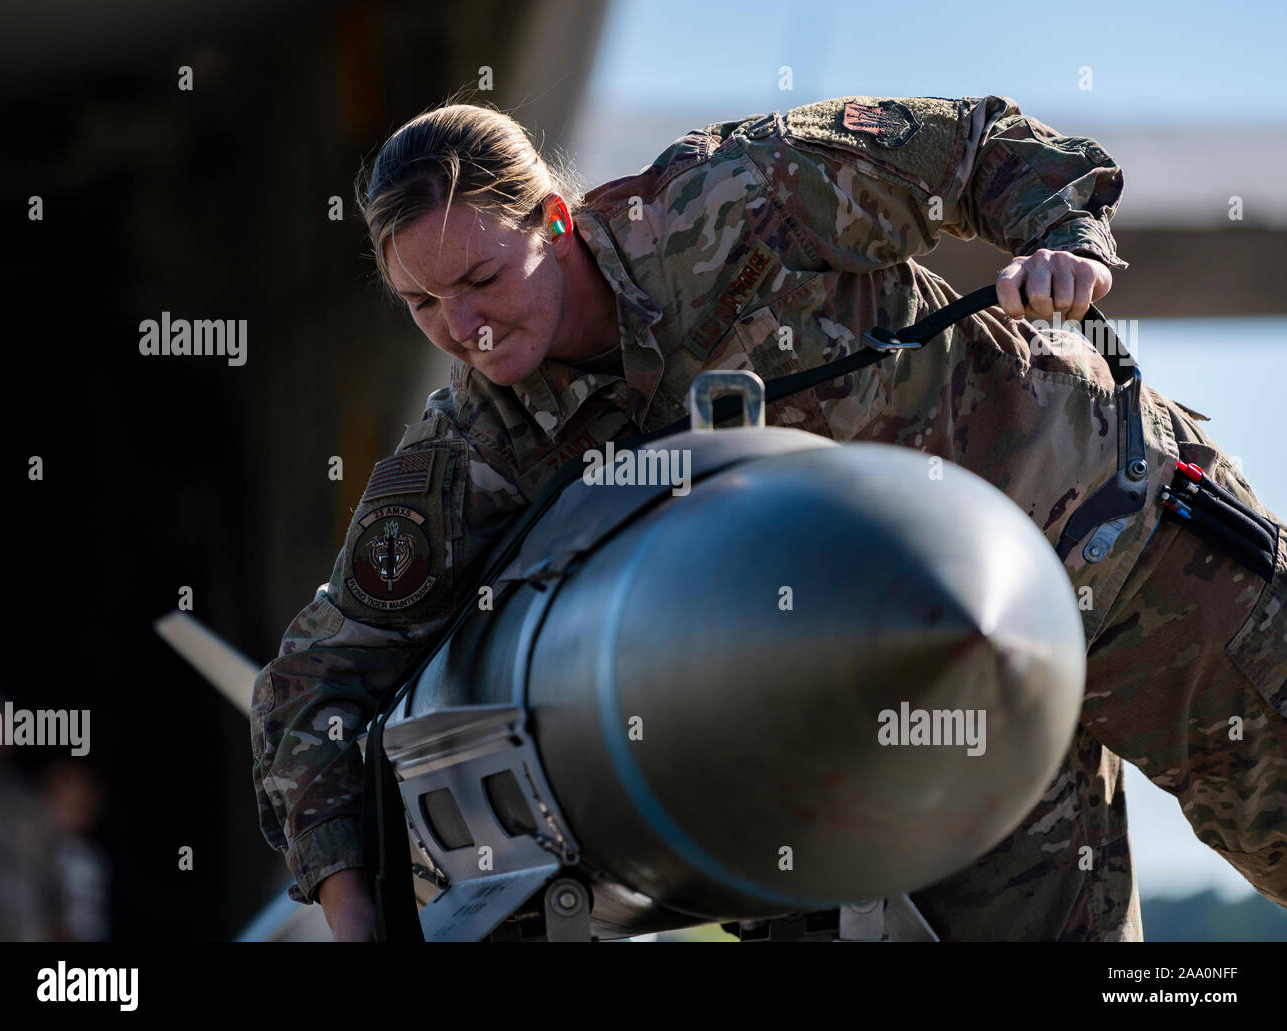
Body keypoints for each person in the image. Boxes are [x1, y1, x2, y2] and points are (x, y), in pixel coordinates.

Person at [251, 95, 1287, 941]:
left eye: (480, 278)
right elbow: (317, 682)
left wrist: (1065, 244)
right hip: (936, 714)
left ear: (555, 222)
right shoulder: (480, 447)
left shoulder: (742, 195)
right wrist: (355, 917)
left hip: (1125, 562)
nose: (463, 329)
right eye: (423, 305)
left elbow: (981, 148)